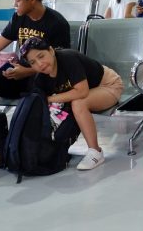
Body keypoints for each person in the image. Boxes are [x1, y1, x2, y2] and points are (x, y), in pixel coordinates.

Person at [18, 37, 123, 171]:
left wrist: (50, 99)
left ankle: (95, 152)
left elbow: (82, 92)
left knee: (78, 103)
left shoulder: (68, 58)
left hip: (108, 84)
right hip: (89, 89)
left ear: (51, 50)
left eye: (41, 56)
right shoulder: (41, 78)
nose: (40, 64)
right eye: (33, 62)